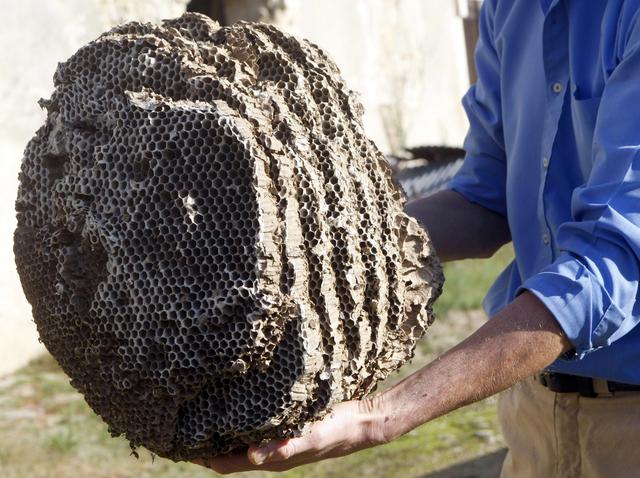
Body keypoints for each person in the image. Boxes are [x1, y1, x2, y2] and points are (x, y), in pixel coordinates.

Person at [194, 1, 640, 476]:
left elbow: (610, 267)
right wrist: (323, 247)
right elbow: (486, 197)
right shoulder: (509, 10)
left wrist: (379, 417)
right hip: (533, 412)